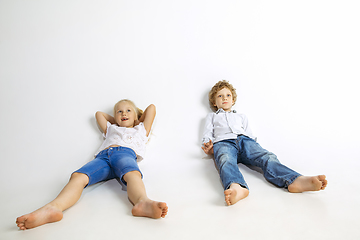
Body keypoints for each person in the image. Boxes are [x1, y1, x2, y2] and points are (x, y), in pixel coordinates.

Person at [16, 100, 168, 230]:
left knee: (132, 173)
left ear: (136, 117)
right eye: (119, 111)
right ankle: (53, 207)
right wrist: (116, 121)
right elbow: (99, 114)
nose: (123, 113)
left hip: (125, 155)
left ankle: (142, 202)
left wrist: (137, 120)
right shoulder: (111, 129)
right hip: (103, 159)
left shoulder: (140, 129)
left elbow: (152, 108)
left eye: (128, 111)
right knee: (78, 176)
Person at [201, 80, 327, 206]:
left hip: (244, 140)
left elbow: (248, 132)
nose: (224, 98)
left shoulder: (241, 116)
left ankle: (294, 180)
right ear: (214, 103)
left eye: (228, 95)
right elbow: (207, 133)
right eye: (220, 96)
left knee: (267, 156)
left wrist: (253, 146)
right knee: (225, 160)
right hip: (223, 143)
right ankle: (237, 186)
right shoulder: (212, 116)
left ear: (233, 100)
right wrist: (209, 146)